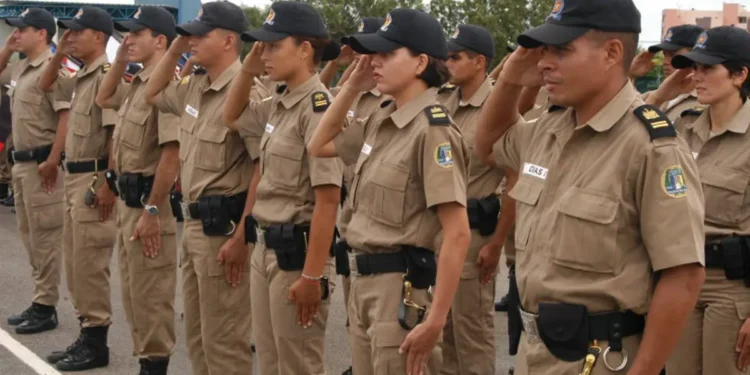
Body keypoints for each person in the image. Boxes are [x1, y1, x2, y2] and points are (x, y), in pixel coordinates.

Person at [474, 0, 707, 373]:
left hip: (601, 358)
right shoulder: (550, 128)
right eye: (543, 51)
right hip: (536, 351)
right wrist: (511, 77)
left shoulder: (651, 147)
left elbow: (683, 275)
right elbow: (488, 145)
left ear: (612, 53)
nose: (545, 62)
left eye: (562, 49)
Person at [307, 8, 471, 375]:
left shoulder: (433, 130)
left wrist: (435, 321)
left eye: (386, 54)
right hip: (364, 285)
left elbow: (458, 233)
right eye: (373, 54)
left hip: (400, 293)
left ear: (420, 63)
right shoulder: (383, 118)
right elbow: (319, 145)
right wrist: (351, 86)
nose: (374, 62)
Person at [142, 2, 265, 374]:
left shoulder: (249, 94)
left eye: (200, 34)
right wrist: (178, 48)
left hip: (224, 231)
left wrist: (244, 235)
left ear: (230, 41)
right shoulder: (195, 85)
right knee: (197, 338)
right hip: (194, 226)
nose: (192, 39)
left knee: (225, 341)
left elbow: (263, 169)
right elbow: (152, 92)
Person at [222, 2, 343, 373]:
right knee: (272, 362)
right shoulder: (279, 102)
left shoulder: (319, 108)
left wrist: (312, 275)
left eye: (274, 46)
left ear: (305, 50)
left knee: (297, 365)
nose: (265, 54)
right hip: (265, 249)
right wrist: (248, 67)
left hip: (296, 255)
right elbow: (232, 117)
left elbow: (328, 199)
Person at [644, 26, 750, 375]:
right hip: (679, 279)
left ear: (739, 75)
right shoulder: (683, 125)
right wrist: (661, 93)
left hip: (732, 289)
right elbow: (633, 126)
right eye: (695, 67)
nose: (696, 76)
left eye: (708, 69)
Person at [94, 6, 179, 375]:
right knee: (133, 296)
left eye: (136, 33)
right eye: (125, 33)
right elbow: (104, 96)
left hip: (151, 205)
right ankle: (146, 364)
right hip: (130, 204)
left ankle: (154, 368)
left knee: (152, 298)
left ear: (160, 41)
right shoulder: (138, 84)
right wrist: (120, 58)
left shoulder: (168, 87)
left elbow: (171, 155)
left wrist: (153, 211)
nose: (127, 39)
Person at [36, 6, 117, 371]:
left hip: (93, 179)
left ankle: (96, 341)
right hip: (75, 177)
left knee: (90, 264)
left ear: (98, 36)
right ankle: (87, 332)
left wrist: (108, 184)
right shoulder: (82, 74)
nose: (70, 37)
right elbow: (45, 84)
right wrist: (60, 52)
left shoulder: (108, 76)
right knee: (76, 263)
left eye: (77, 32)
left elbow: (115, 134)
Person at [436, 23, 503, 375]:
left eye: (455, 57)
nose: (447, 63)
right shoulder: (443, 100)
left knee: (471, 332)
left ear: (479, 61)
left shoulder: (497, 107)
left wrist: (497, 244)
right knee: (442, 330)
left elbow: (516, 178)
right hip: (439, 232)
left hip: (476, 235)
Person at [0, 8, 69, 335]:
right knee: (29, 236)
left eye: (22, 30)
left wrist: (54, 160)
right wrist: (8, 49)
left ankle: (46, 306)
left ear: (42, 33)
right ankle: (40, 299)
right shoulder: (21, 68)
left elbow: (65, 118)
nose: (16, 34)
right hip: (21, 164)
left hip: (42, 166)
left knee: (45, 238)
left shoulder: (53, 71)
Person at [631, 24, 704, 121]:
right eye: (665, 54)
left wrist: (656, 99)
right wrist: (630, 75)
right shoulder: (652, 95)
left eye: (673, 55)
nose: (666, 61)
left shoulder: (705, 101)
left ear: (695, 57)